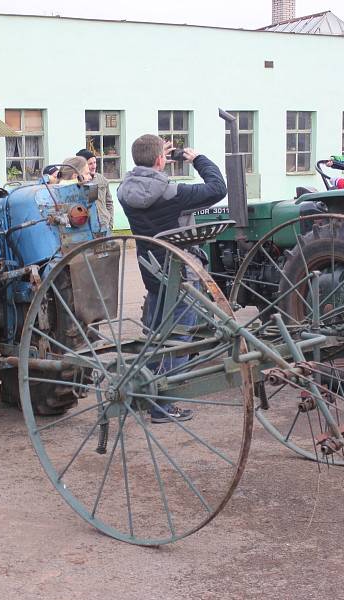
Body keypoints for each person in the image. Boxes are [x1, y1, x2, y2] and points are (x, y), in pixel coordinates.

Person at [117, 134, 227, 423]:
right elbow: (218, 188)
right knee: (178, 340)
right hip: (179, 272)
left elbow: (147, 179)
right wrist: (197, 159)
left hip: (150, 270)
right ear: (160, 160)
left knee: (155, 337)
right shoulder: (173, 193)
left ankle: (149, 394)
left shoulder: (124, 190)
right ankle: (164, 407)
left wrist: (154, 162)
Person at [76, 149, 114, 232]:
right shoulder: (75, 183)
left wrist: (110, 223)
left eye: (95, 162)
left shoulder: (102, 179)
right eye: (90, 164)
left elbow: (109, 203)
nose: (94, 166)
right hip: (87, 226)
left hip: (104, 224)